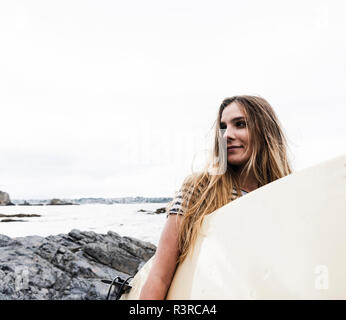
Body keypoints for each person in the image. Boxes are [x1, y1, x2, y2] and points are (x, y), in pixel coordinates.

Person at [139, 95, 292, 299]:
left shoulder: (286, 195)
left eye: (240, 124)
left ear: (265, 131)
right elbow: (160, 277)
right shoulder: (199, 189)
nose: (227, 135)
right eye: (223, 127)